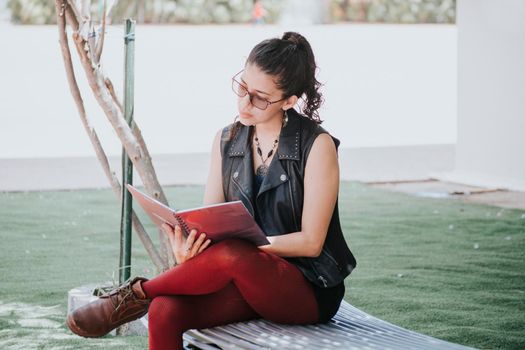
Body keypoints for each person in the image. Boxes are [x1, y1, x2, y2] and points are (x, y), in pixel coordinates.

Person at [66, 31, 357, 350]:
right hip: (241, 277)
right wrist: (192, 248)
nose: (245, 102)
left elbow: (312, 243)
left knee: (233, 252)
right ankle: (143, 298)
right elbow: (212, 221)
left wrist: (240, 251)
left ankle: (133, 295)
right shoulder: (226, 140)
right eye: (243, 87)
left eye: (260, 97)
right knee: (164, 311)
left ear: (289, 101)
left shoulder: (317, 145)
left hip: (307, 289)